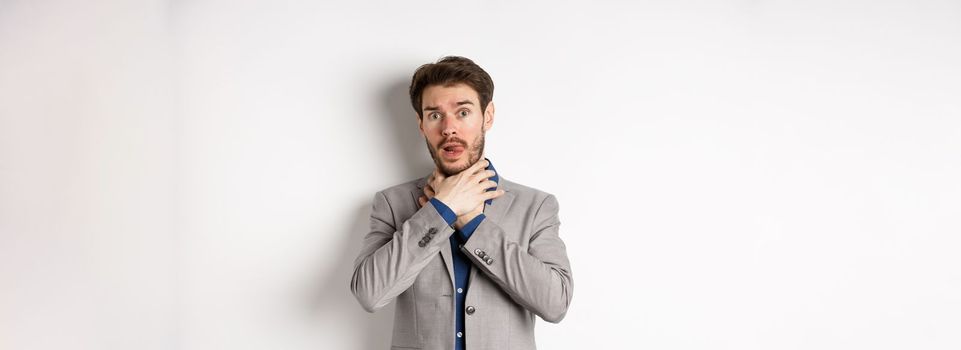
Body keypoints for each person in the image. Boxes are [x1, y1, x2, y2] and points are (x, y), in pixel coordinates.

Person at [350, 56, 573, 350]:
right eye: (434, 115)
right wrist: (440, 211)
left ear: (487, 116)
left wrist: (471, 222)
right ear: (421, 124)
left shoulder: (535, 206)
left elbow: (555, 304)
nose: (448, 128)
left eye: (463, 112)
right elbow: (369, 293)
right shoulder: (392, 203)